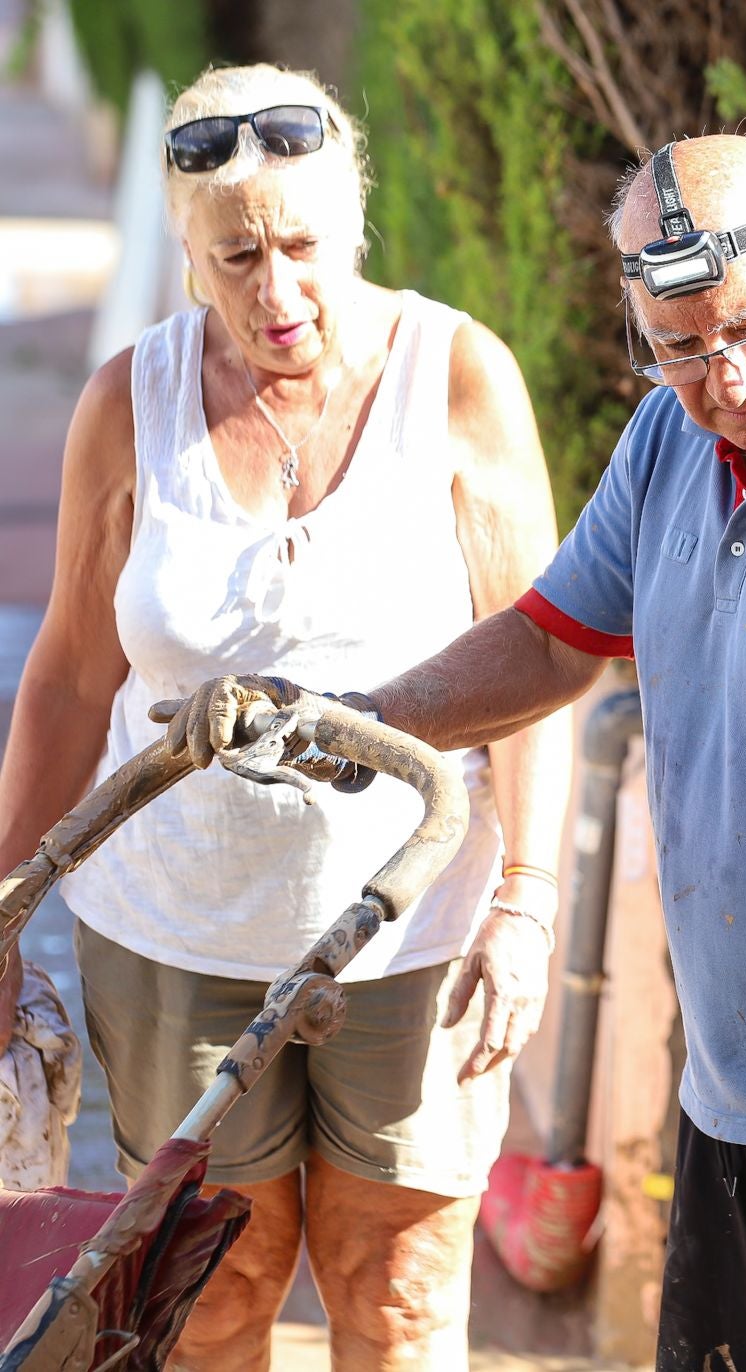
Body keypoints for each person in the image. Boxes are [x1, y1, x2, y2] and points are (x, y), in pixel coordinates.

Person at [163, 132, 746, 1370]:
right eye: (681, 346)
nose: (727, 377)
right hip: (737, 1091)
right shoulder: (671, 442)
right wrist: (352, 721)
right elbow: (552, 643)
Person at [0, 64, 571, 1370]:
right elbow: (70, 676)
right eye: (237, 254)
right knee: (210, 1294)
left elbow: (543, 657)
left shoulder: (457, 374)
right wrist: (5, 906)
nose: (278, 291)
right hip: (172, 933)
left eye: (303, 245)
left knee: (404, 1291)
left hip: (413, 932)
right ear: (190, 255)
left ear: (355, 221)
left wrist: (527, 900)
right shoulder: (125, 405)